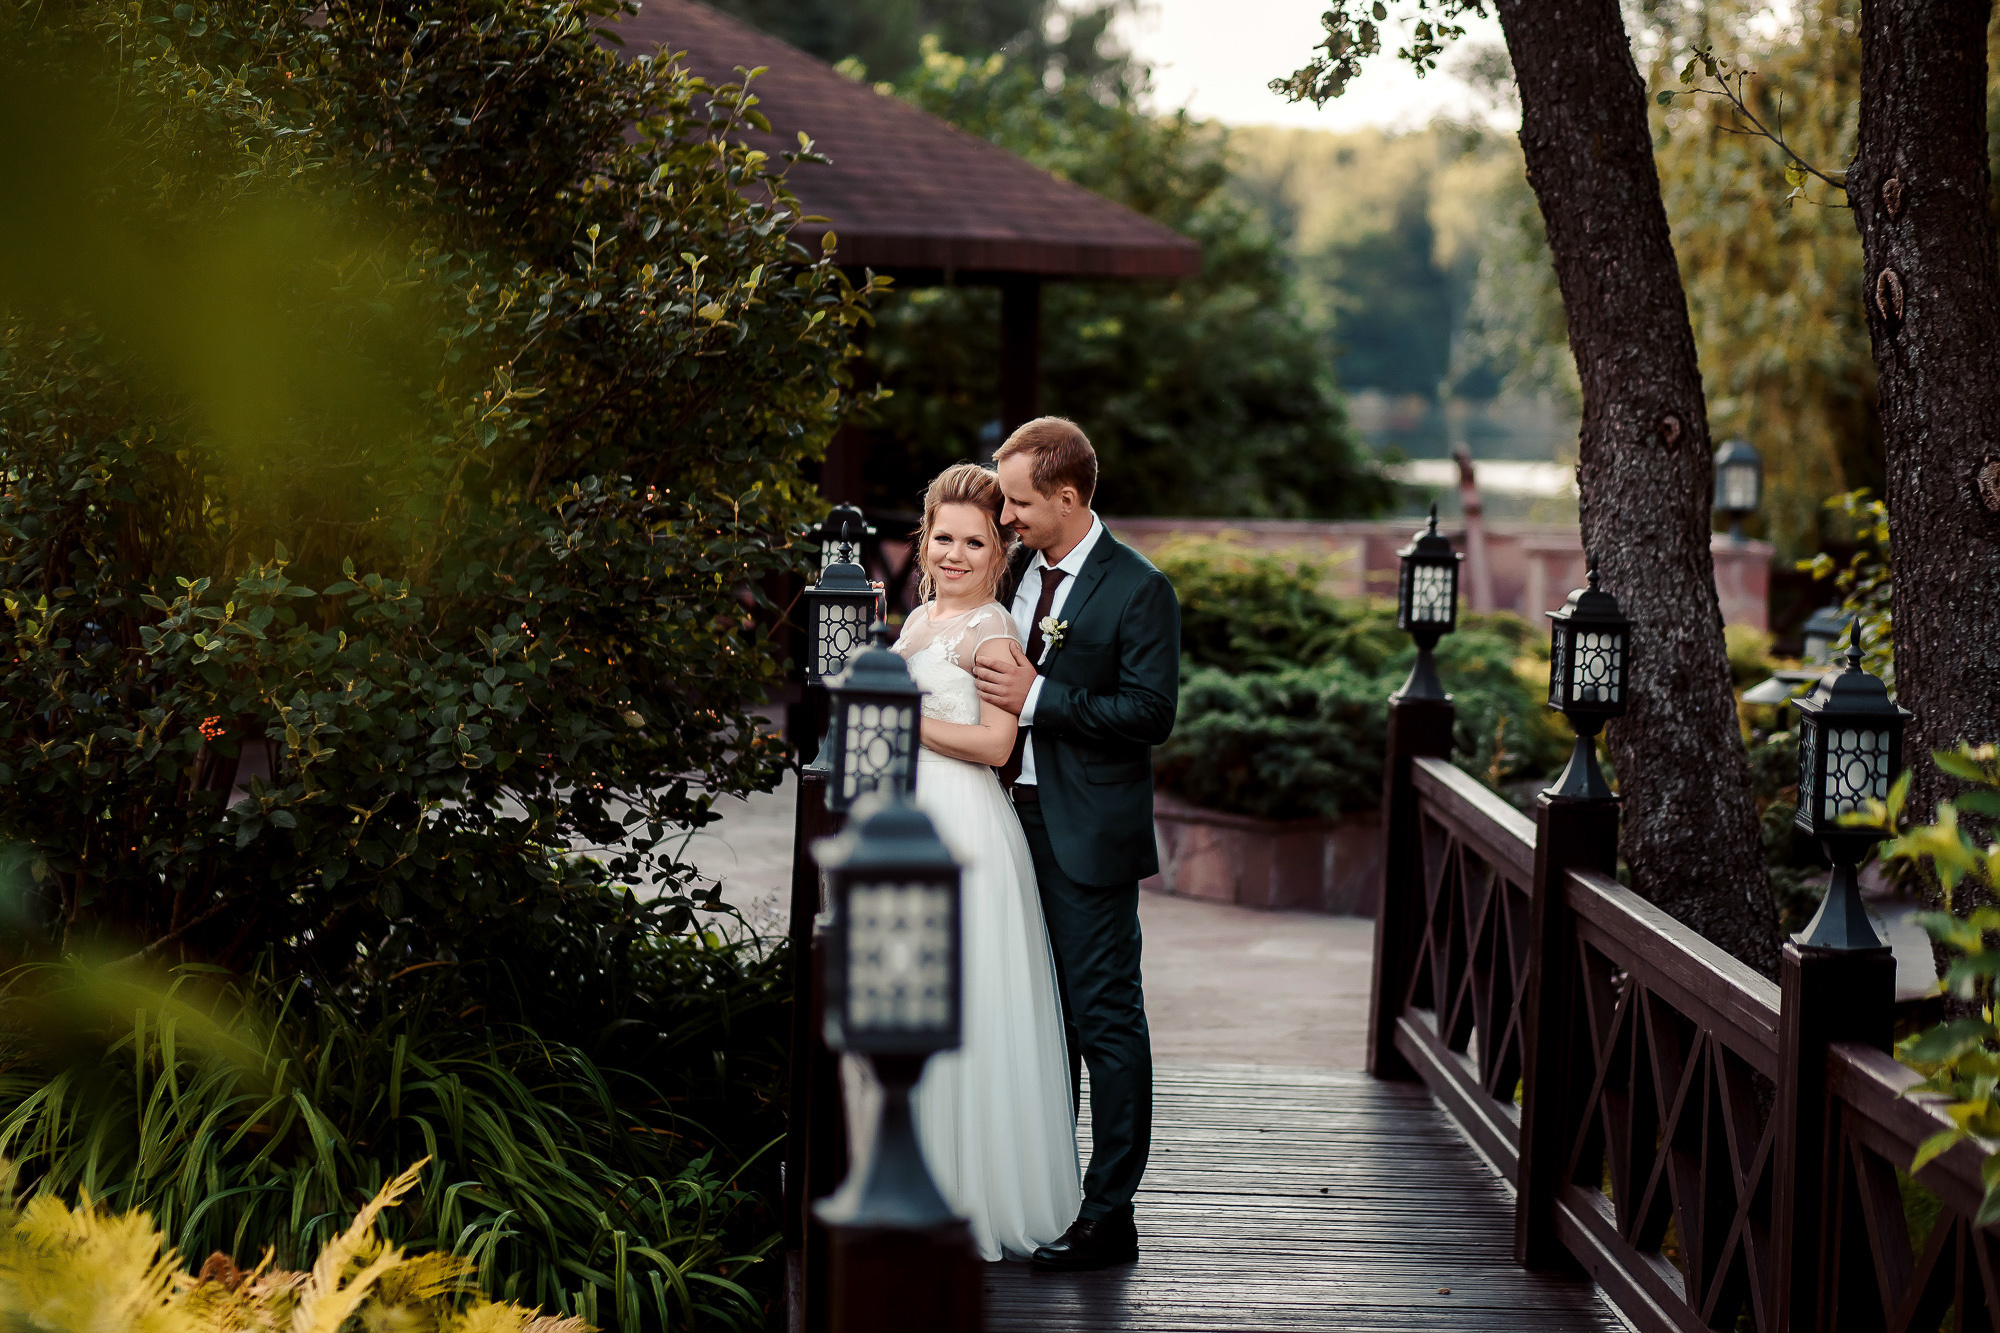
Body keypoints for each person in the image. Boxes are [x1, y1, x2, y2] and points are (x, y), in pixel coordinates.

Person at [973, 417, 1180, 1272]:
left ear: (1068, 495)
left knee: (1103, 1020)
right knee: (1032, 1015)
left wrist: (1040, 695)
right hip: (1001, 823)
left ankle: (1108, 1214)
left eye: (1018, 501)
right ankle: (1045, 1191)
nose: (1006, 516)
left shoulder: (1139, 588)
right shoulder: (1015, 567)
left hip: (1083, 834)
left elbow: (1149, 714)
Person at [873, 461, 1081, 1262]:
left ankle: (970, 1189)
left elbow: (997, 744)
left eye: (975, 541)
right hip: (912, 819)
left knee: (962, 999)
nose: (955, 554)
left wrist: (899, 719)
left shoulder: (992, 629)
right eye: (943, 537)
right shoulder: (922, 618)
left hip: (964, 828)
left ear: (1002, 554)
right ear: (923, 540)